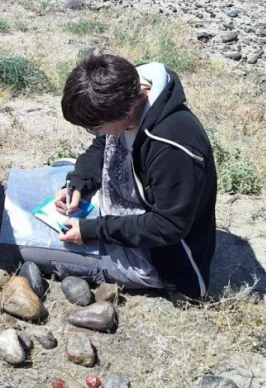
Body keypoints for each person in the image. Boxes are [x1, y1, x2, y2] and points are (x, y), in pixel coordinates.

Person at [53, 53, 217, 300]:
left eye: (95, 127)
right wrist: (79, 182)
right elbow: (103, 145)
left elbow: (168, 226)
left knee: (30, 248)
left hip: (155, 255)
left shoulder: (173, 148)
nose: (94, 132)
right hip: (122, 211)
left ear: (127, 110)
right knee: (61, 172)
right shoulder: (126, 90)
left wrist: (92, 230)